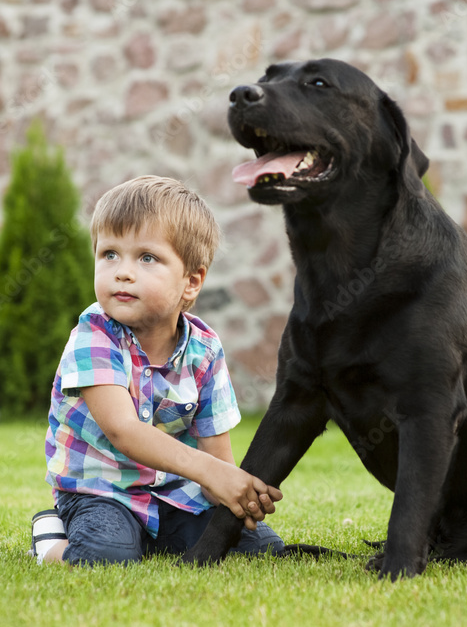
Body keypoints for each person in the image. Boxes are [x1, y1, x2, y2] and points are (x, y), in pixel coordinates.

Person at [30, 175, 284, 566]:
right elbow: (124, 431)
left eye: (147, 258)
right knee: (105, 555)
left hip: (174, 496)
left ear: (191, 282)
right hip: (102, 492)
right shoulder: (93, 336)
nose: (123, 272)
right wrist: (209, 471)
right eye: (109, 254)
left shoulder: (205, 351)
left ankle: (147, 540)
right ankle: (51, 540)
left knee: (260, 548)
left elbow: (218, 457)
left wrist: (239, 492)